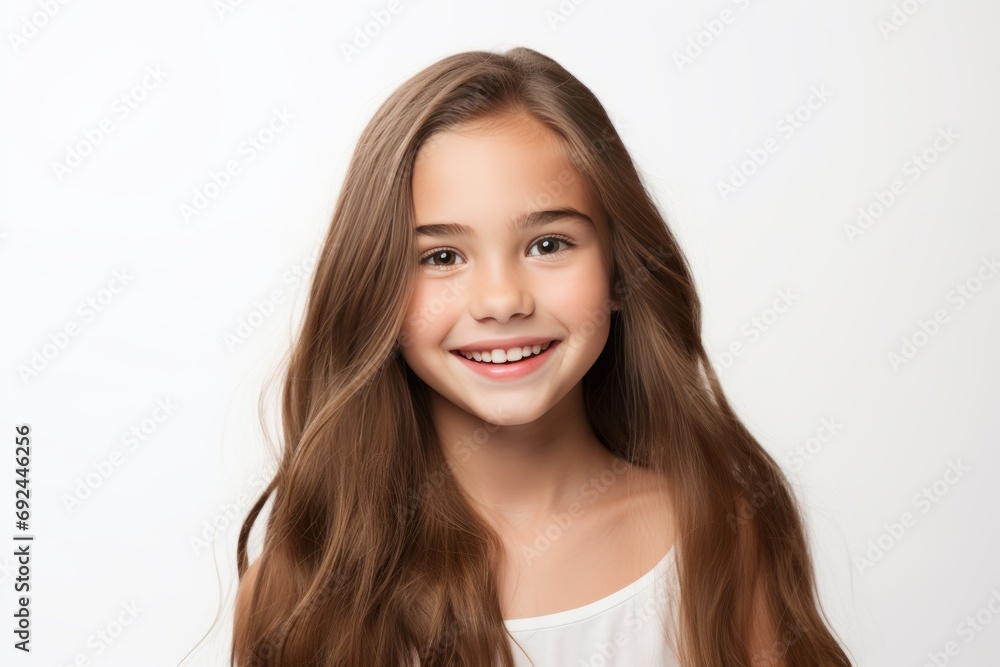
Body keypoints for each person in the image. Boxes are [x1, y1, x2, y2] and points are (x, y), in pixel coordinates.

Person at [231, 46, 853, 666]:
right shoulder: (300, 593)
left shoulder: (720, 535)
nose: (501, 301)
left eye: (548, 244)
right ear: (374, 293)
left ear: (618, 270)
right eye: (442, 257)